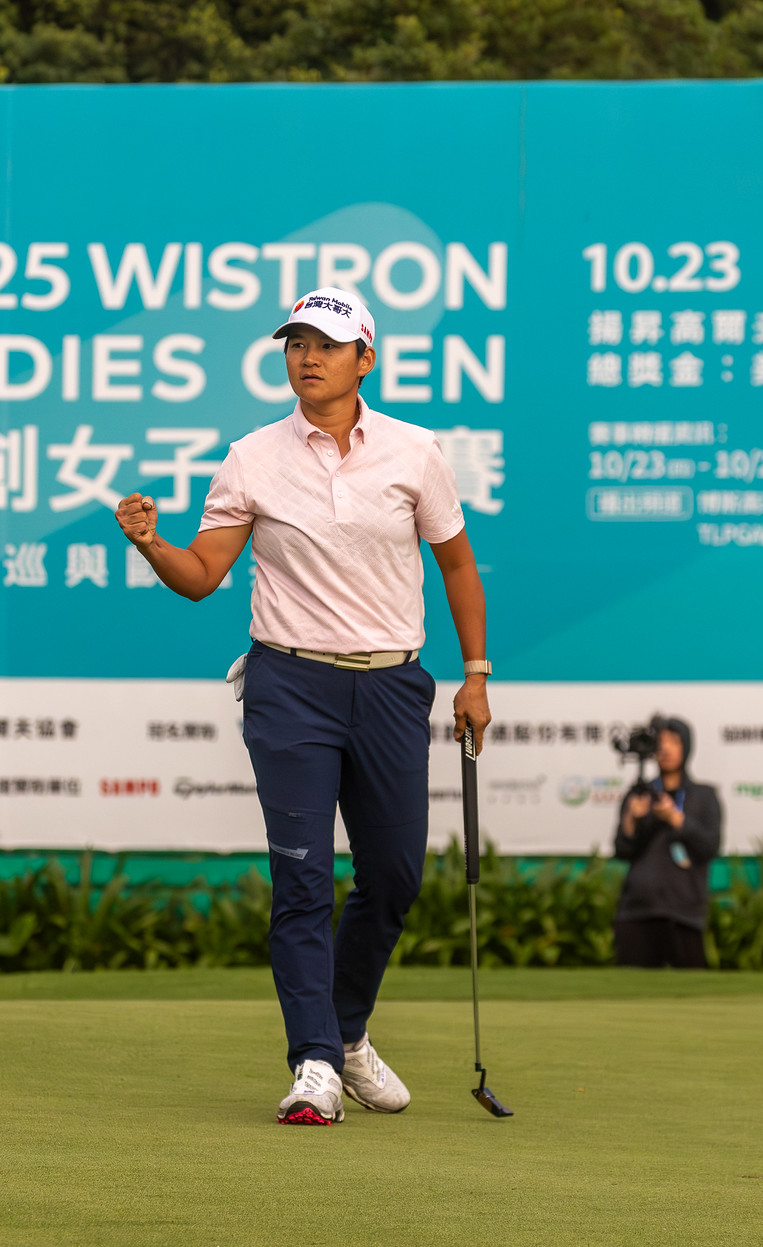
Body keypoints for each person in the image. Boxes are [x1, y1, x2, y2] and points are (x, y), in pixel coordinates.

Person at [113, 286, 492, 1126]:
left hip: (391, 685)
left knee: (393, 876)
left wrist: (475, 673)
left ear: (365, 358)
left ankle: (346, 1032)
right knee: (302, 878)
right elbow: (201, 576)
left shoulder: (414, 451)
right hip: (290, 687)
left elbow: (458, 565)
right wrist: (150, 543)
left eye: (324, 344)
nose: (306, 357)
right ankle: (314, 1060)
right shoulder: (251, 457)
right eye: (294, 344)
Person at [612, 718, 723, 968]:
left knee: (691, 986)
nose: (666, 749)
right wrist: (632, 820)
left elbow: (710, 847)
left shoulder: (703, 796)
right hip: (638, 911)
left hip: (684, 913)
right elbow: (621, 849)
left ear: (686, 746)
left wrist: (676, 819)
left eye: (674, 741)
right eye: (660, 742)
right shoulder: (639, 794)